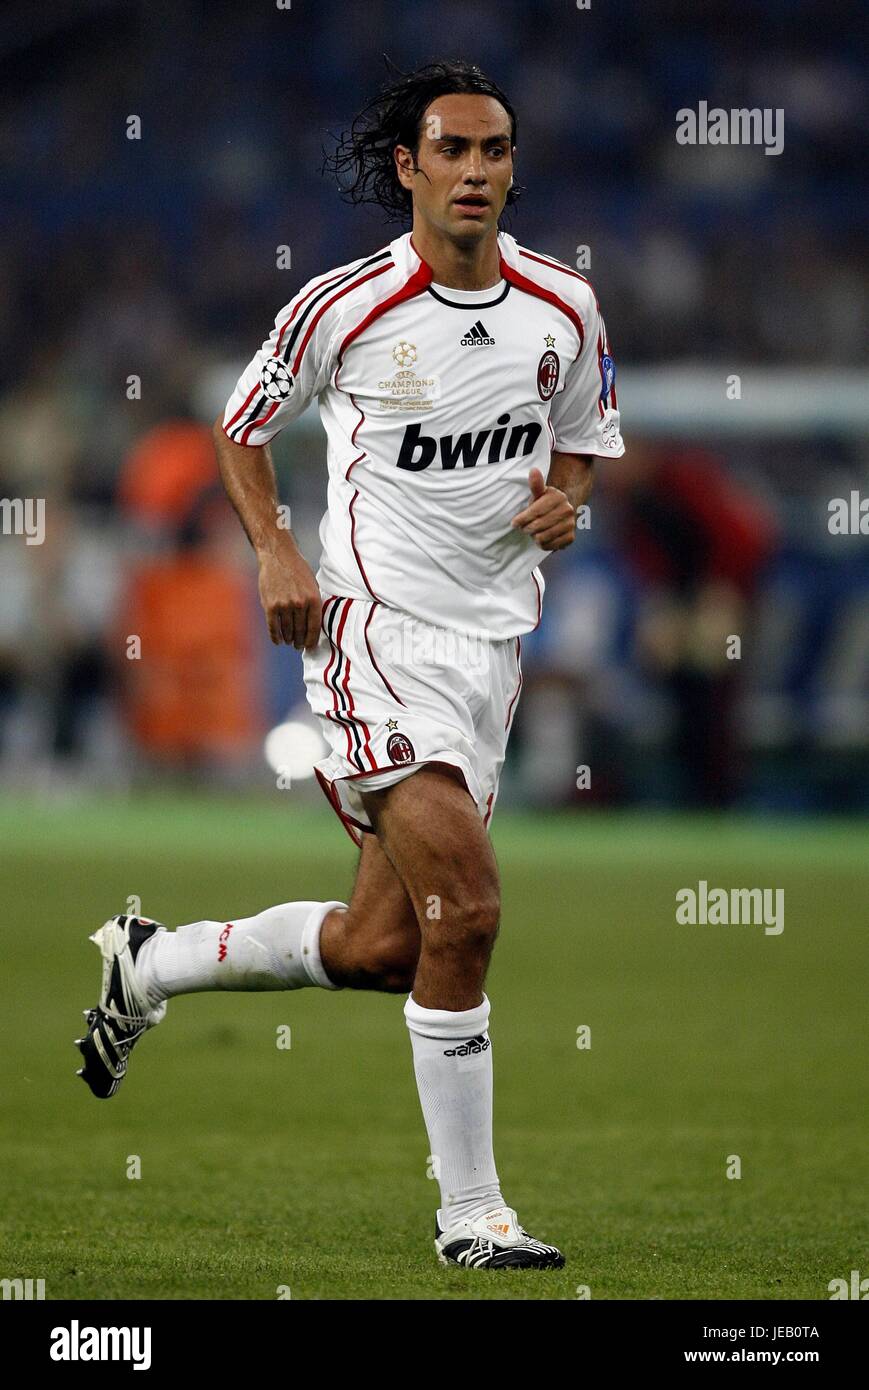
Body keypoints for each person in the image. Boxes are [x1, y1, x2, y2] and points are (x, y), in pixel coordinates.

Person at [76, 59, 624, 1271]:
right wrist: (275, 548)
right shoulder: (342, 306)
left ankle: (149, 959)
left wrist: (564, 505)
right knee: (469, 911)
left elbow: (582, 444)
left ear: (512, 168)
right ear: (408, 169)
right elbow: (239, 429)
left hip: (490, 650)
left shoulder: (565, 307)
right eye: (452, 152)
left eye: (494, 152)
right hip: (370, 638)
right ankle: (471, 1216)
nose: (475, 171)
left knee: (390, 948)